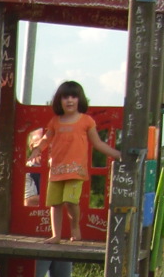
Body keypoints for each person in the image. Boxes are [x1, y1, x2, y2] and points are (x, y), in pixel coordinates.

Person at [39, 79, 122, 245]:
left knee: (71, 201)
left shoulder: (86, 121)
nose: (69, 100)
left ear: (80, 99)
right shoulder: (55, 121)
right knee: (55, 203)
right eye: (65, 97)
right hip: (56, 169)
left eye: (73, 97)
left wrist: (118, 155)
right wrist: (36, 149)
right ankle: (56, 235)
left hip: (76, 170)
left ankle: (75, 226)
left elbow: (98, 143)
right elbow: (46, 139)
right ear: (59, 100)